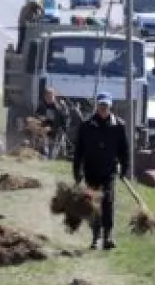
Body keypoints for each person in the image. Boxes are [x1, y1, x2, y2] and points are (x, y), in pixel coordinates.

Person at [72, 93, 130, 250]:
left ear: (110, 107)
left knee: (108, 203)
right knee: (94, 205)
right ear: (97, 106)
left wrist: (124, 168)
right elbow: (79, 151)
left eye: (106, 106)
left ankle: (108, 236)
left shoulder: (118, 126)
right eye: (101, 106)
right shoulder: (86, 125)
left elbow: (124, 150)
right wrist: (77, 172)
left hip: (108, 171)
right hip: (91, 171)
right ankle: (95, 237)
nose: (103, 109)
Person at [33, 86, 67, 158]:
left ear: (54, 96)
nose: (49, 98)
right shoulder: (42, 105)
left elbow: (64, 121)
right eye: (47, 97)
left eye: (51, 96)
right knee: (43, 149)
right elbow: (36, 115)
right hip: (44, 131)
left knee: (52, 152)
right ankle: (44, 158)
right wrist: (40, 117)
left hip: (56, 131)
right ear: (45, 96)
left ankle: (50, 159)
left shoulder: (60, 107)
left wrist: (52, 128)